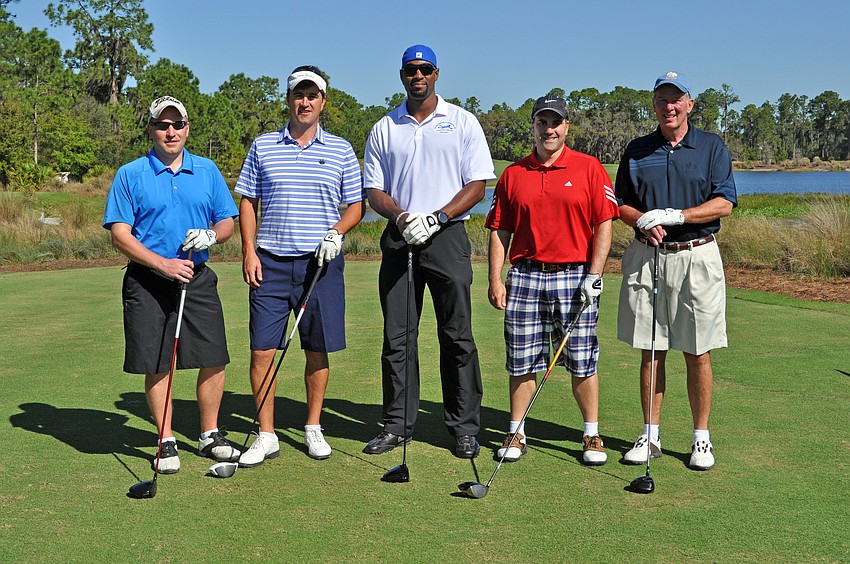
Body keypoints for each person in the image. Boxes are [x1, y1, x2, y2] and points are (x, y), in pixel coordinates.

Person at [362, 44, 495, 459]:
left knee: (457, 335)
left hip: (447, 236)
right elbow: (373, 191)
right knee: (398, 337)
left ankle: (463, 427)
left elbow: (477, 184)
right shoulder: (385, 126)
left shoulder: (461, 122)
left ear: (437, 73)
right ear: (402, 75)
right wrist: (401, 217)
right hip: (400, 236)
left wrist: (437, 217)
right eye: (410, 70)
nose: (417, 75)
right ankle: (398, 424)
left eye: (425, 69)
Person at [103, 95, 240, 474]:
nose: (170, 131)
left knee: (213, 356)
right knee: (158, 360)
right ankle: (165, 438)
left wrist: (212, 236)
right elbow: (119, 234)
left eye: (177, 124)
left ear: (187, 128)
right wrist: (161, 263)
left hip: (196, 278)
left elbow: (228, 221)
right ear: (149, 128)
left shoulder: (207, 170)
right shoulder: (131, 173)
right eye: (162, 124)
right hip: (147, 281)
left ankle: (210, 434)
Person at [235, 66, 364, 466]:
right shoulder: (262, 146)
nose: (305, 102)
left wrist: (337, 232)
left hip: (320, 266)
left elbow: (356, 206)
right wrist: (248, 250)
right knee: (261, 351)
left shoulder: (341, 149)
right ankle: (267, 434)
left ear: (324, 102)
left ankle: (313, 426)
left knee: (317, 349)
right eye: (298, 95)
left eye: (313, 95)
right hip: (270, 263)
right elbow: (247, 200)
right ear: (288, 99)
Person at [486, 96, 619, 465]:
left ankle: (591, 435)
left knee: (582, 360)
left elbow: (603, 223)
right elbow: (500, 229)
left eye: (556, 122)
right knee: (522, 360)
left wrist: (596, 274)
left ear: (566, 126)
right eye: (542, 122)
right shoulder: (514, 174)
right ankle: (516, 432)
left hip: (575, 276)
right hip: (526, 277)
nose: (549, 129)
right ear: (533, 126)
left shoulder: (590, 168)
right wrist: (495, 278)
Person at [616, 71, 737, 471]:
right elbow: (621, 204)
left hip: (696, 255)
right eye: (661, 100)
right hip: (649, 257)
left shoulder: (710, 146)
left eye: (675, 99)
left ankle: (700, 438)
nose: (668, 106)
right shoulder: (637, 150)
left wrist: (679, 215)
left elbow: (724, 203)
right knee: (651, 350)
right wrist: (642, 221)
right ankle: (650, 435)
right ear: (654, 105)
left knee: (697, 351)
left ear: (689, 103)